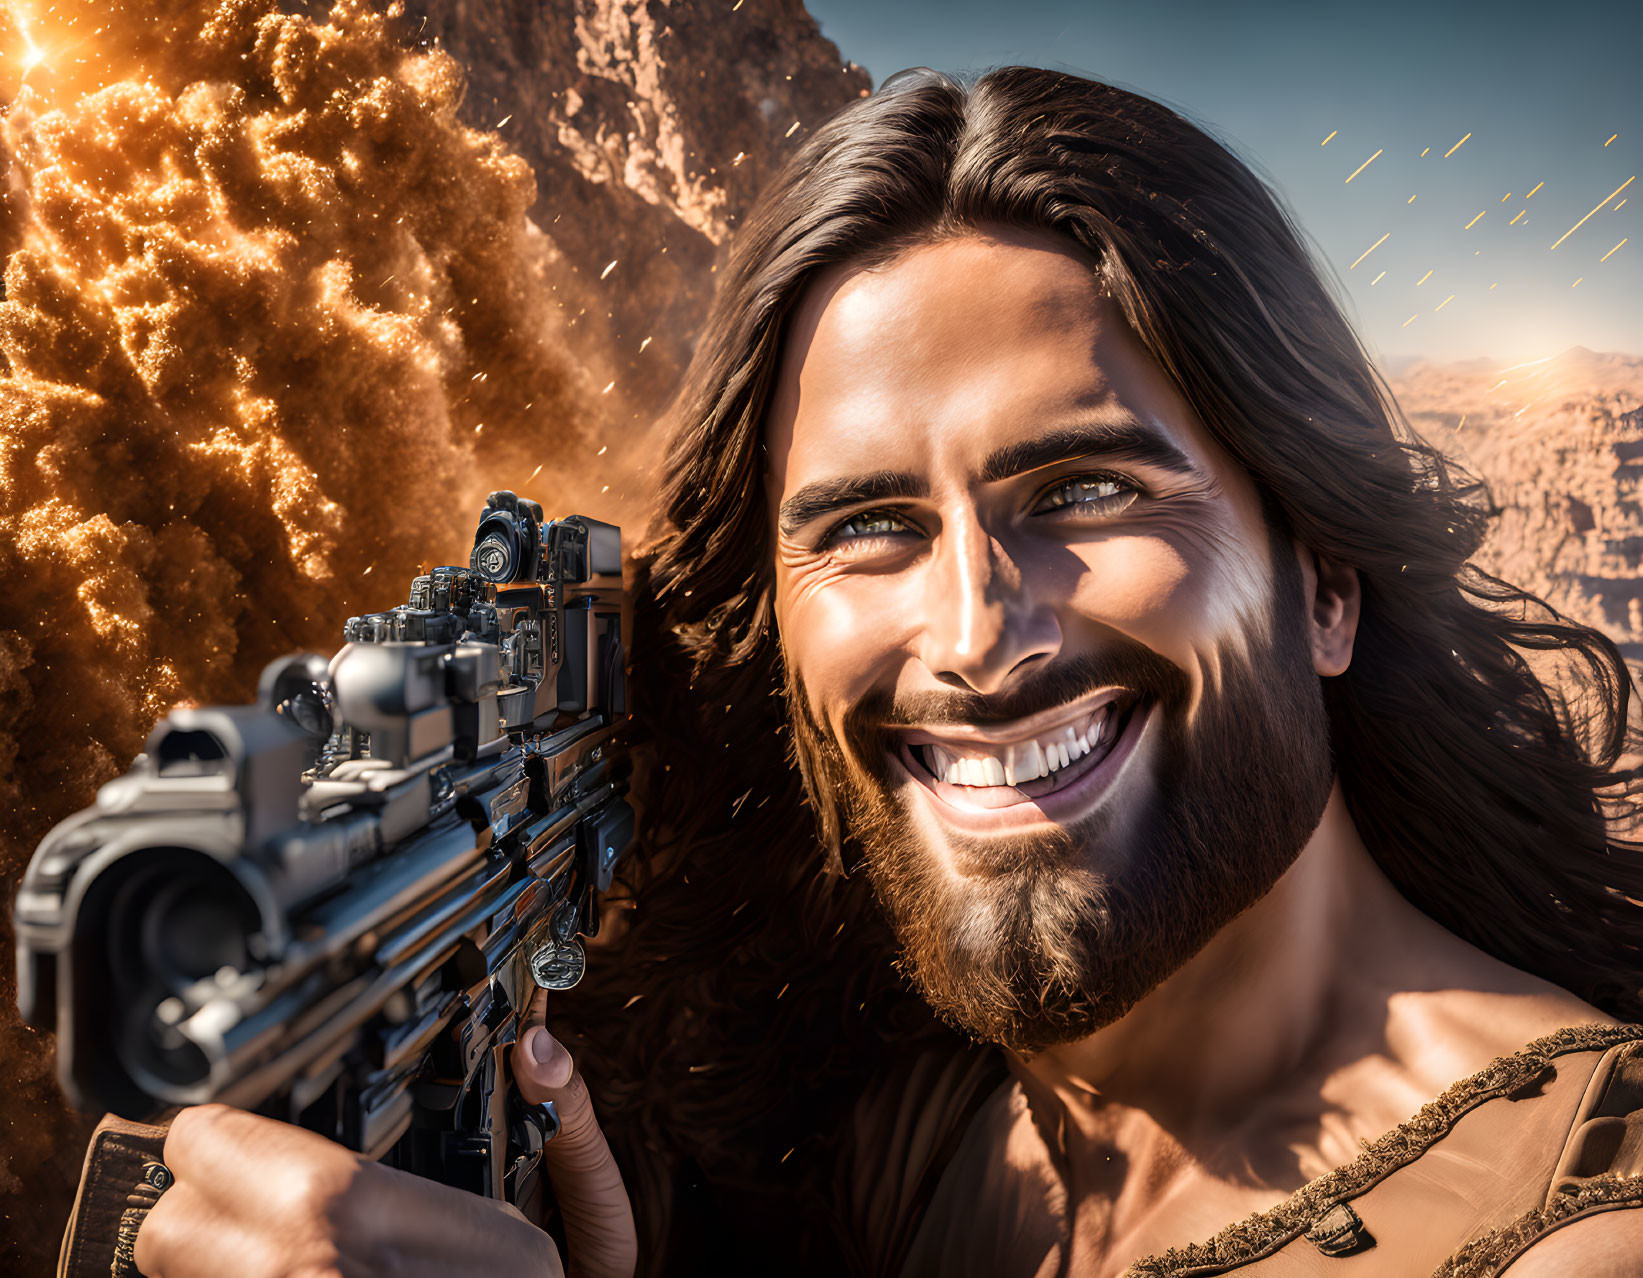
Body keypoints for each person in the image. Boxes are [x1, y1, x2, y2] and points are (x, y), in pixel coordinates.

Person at [120, 66, 1643, 1278]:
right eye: (866, 526)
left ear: (1323, 582)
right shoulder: (882, 1118)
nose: (976, 633)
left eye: (1090, 491)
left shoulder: (1575, 1228)